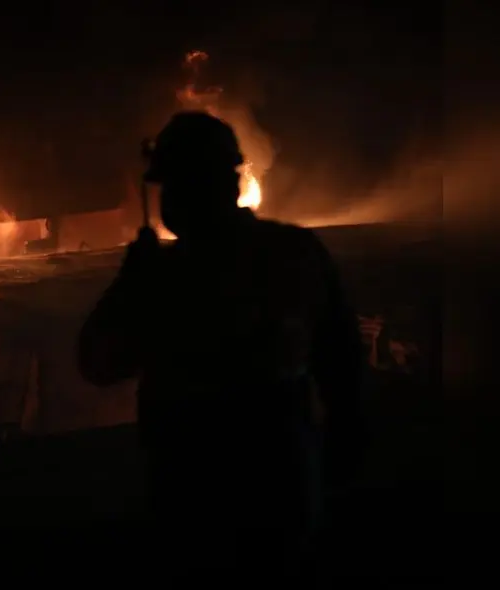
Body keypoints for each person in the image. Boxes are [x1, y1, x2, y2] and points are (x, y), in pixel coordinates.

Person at [77, 111, 366, 572]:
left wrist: (131, 282)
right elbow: (343, 364)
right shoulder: (296, 252)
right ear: (233, 184)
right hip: (285, 485)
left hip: (194, 497)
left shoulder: (169, 278)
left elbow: (97, 362)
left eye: (175, 186)